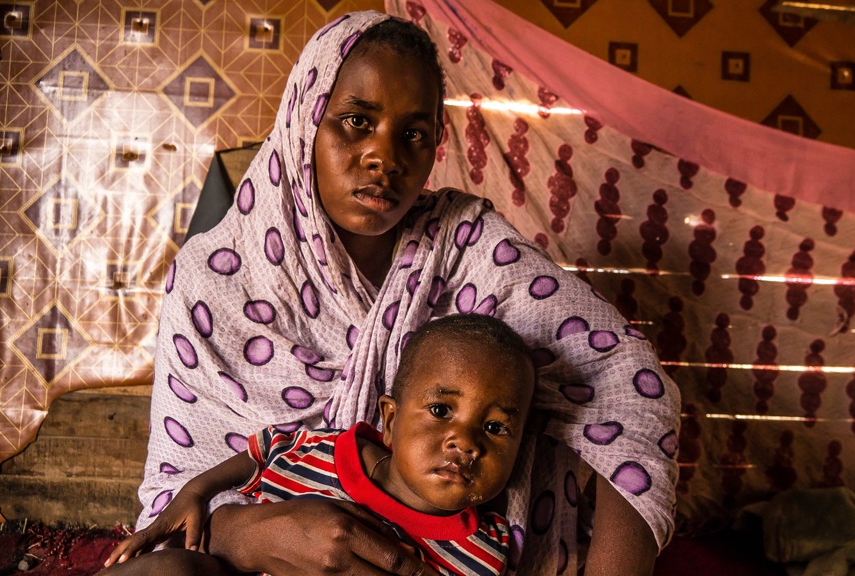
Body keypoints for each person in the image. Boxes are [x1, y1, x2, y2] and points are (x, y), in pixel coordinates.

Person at [130, 11, 680, 576]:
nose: (384, 157)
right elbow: (179, 493)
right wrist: (247, 532)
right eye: (356, 121)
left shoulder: (466, 247)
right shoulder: (213, 282)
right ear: (303, 119)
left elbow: (630, 390)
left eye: (413, 134)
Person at [103, 314, 536, 576]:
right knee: (172, 568)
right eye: (441, 411)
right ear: (388, 420)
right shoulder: (325, 455)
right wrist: (197, 492)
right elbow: (262, 452)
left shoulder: (483, 549)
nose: (466, 442)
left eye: (496, 428)